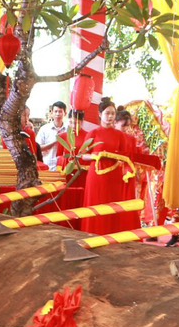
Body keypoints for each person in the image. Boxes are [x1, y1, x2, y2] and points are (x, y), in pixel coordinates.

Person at [79, 98, 160, 235]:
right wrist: (95, 156)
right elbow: (82, 156)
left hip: (115, 176)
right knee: (96, 206)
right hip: (97, 176)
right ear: (100, 114)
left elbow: (126, 158)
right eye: (107, 113)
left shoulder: (121, 136)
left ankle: (112, 237)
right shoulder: (93, 134)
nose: (110, 116)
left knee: (113, 207)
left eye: (112, 113)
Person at [36, 101, 68, 169]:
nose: (57, 114)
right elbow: (38, 148)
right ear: (52, 113)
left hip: (64, 166)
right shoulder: (44, 129)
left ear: (65, 113)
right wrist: (55, 142)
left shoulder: (69, 130)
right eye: (55, 111)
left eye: (60, 111)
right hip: (48, 165)